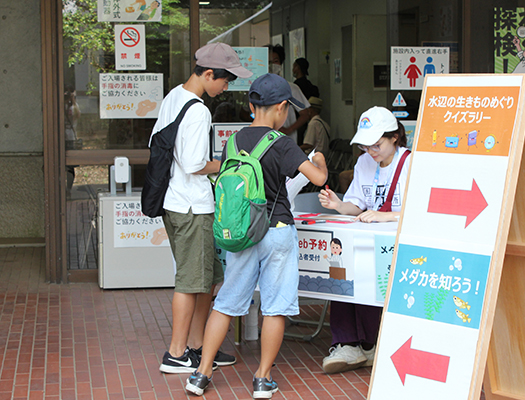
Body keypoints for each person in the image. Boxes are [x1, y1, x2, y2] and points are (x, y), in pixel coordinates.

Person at [185, 73, 328, 398]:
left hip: (243, 232)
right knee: (275, 307)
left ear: (251, 106)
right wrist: (317, 158)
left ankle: (201, 373)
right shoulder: (283, 143)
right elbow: (318, 179)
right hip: (276, 232)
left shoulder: (232, 142)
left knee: (226, 304)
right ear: (282, 108)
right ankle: (263, 378)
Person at [152, 43, 252, 375]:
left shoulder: (172, 98)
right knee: (191, 281)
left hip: (178, 202)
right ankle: (177, 353)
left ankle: (197, 347)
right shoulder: (197, 110)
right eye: (225, 81)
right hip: (191, 206)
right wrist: (227, 164)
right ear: (208, 74)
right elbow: (195, 163)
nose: (227, 87)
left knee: (206, 279)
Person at [318, 106, 411, 373]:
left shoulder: (411, 162)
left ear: (394, 137)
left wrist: (387, 216)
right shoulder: (364, 163)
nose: (371, 152)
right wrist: (338, 204)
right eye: (365, 146)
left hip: (393, 247)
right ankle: (348, 344)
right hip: (366, 240)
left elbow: (418, 211)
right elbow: (356, 207)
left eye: (376, 145)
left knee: (372, 282)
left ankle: (368, 345)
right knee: (343, 272)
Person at [267, 44, 310, 145]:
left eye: (276, 61)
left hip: (286, 142)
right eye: (269, 62)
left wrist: (289, 129)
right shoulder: (257, 88)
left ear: (281, 63)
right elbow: (247, 113)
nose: (272, 65)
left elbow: (305, 114)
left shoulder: (291, 88)